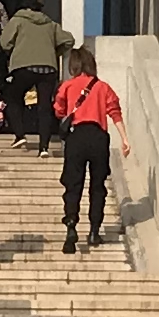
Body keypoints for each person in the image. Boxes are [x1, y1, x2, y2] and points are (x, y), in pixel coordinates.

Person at [53, 42, 125, 252]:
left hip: (76, 137)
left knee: (73, 184)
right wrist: (124, 138)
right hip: (98, 137)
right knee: (97, 186)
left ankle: (71, 224)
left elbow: (58, 110)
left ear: (74, 66)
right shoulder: (102, 87)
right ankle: (94, 230)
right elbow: (114, 111)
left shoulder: (67, 86)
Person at [2, 0, 66, 149]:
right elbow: (68, 40)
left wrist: (15, 51)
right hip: (48, 68)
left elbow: (4, 43)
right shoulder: (50, 24)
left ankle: (20, 135)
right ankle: (44, 147)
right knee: (45, 107)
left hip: (24, 67)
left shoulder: (18, 20)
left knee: (12, 96)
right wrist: (54, 53)